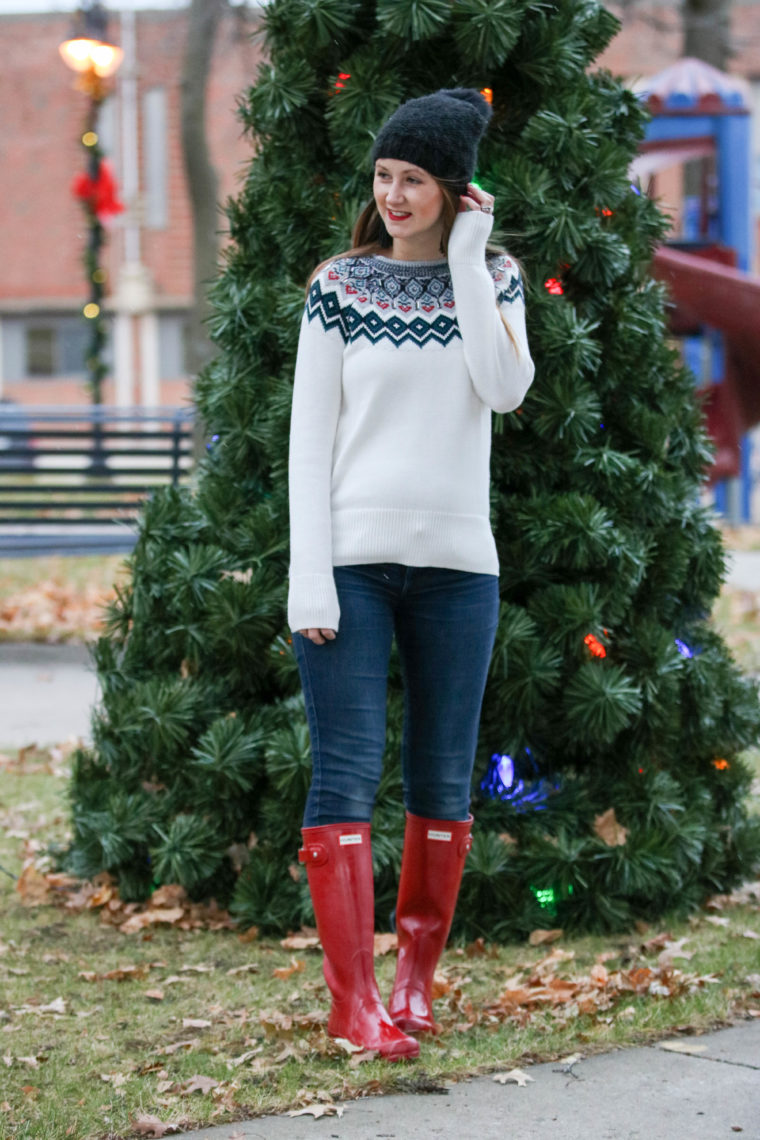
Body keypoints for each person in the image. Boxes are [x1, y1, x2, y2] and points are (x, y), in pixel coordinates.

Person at [288, 88, 535, 1059]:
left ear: (452, 189)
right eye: (384, 176)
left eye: (413, 179)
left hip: (457, 572)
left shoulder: (497, 279)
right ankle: (353, 1006)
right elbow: (309, 444)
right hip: (348, 568)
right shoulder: (339, 286)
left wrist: (470, 267)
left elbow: (504, 390)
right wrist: (309, 574)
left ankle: (414, 984)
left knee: (440, 775)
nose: (391, 194)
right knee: (344, 773)